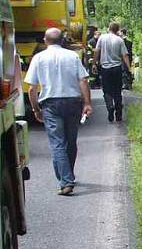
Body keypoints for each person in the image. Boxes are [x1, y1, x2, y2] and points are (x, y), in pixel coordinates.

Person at [25, 28, 93, 196]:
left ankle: (66, 180)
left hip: (51, 105)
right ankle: (67, 176)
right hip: (73, 103)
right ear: (62, 40)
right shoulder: (72, 56)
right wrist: (87, 103)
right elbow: (83, 80)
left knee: (57, 144)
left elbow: (32, 89)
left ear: (45, 40)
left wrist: (36, 109)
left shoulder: (38, 58)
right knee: (71, 141)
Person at [95, 21, 130, 122]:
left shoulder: (102, 38)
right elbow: (125, 55)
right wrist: (128, 68)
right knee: (117, 91)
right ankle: (118, 115)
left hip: (105, 69)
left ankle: (110, 106)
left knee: (107, 90)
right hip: (117, 68)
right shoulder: (119, 40)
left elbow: (97, 51)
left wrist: (94, 63)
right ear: (117, 30)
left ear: (109, 28)